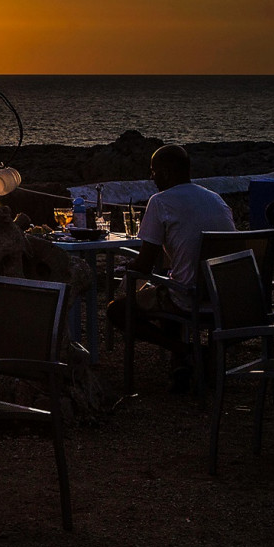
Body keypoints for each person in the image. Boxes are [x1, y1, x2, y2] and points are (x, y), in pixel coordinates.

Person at [106, 144, 234, 391]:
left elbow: (144, 265)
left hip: (190, 298)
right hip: (223, 295)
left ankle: (187, 350)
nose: (151, 178)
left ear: (165, 172)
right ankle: (180, 365)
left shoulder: (160, 201)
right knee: (167, 283)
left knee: (117, 311)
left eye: (153, 172)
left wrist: (127, 268)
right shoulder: (215, 199)